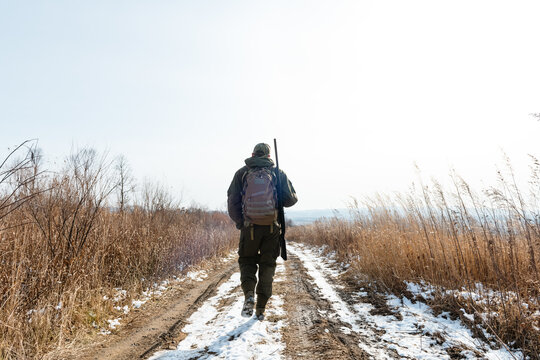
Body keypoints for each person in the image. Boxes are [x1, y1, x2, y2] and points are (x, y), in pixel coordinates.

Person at [227, 143, 298, 320]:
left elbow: (232, 200)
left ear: (252, 154)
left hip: (249, 228)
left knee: (247, 261)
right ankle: (261, 308)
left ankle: (249, 294)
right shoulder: (277, 173)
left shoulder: (242, 173)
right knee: (268, 265)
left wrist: (240, 222)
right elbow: (291, 200)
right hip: (272, 228)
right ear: (268, 156)